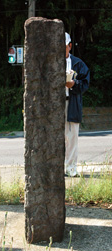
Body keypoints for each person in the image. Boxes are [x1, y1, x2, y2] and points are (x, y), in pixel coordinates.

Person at [65, 32, 90, 177]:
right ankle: (58, 168)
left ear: (69, 46)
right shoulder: (51, 63)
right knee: (57, 138)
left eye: (63, 46)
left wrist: (74, 84)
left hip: (72, 103)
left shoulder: (78, 63)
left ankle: (71, 168)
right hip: (56, 105)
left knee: (72, 137)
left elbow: (85, 83)